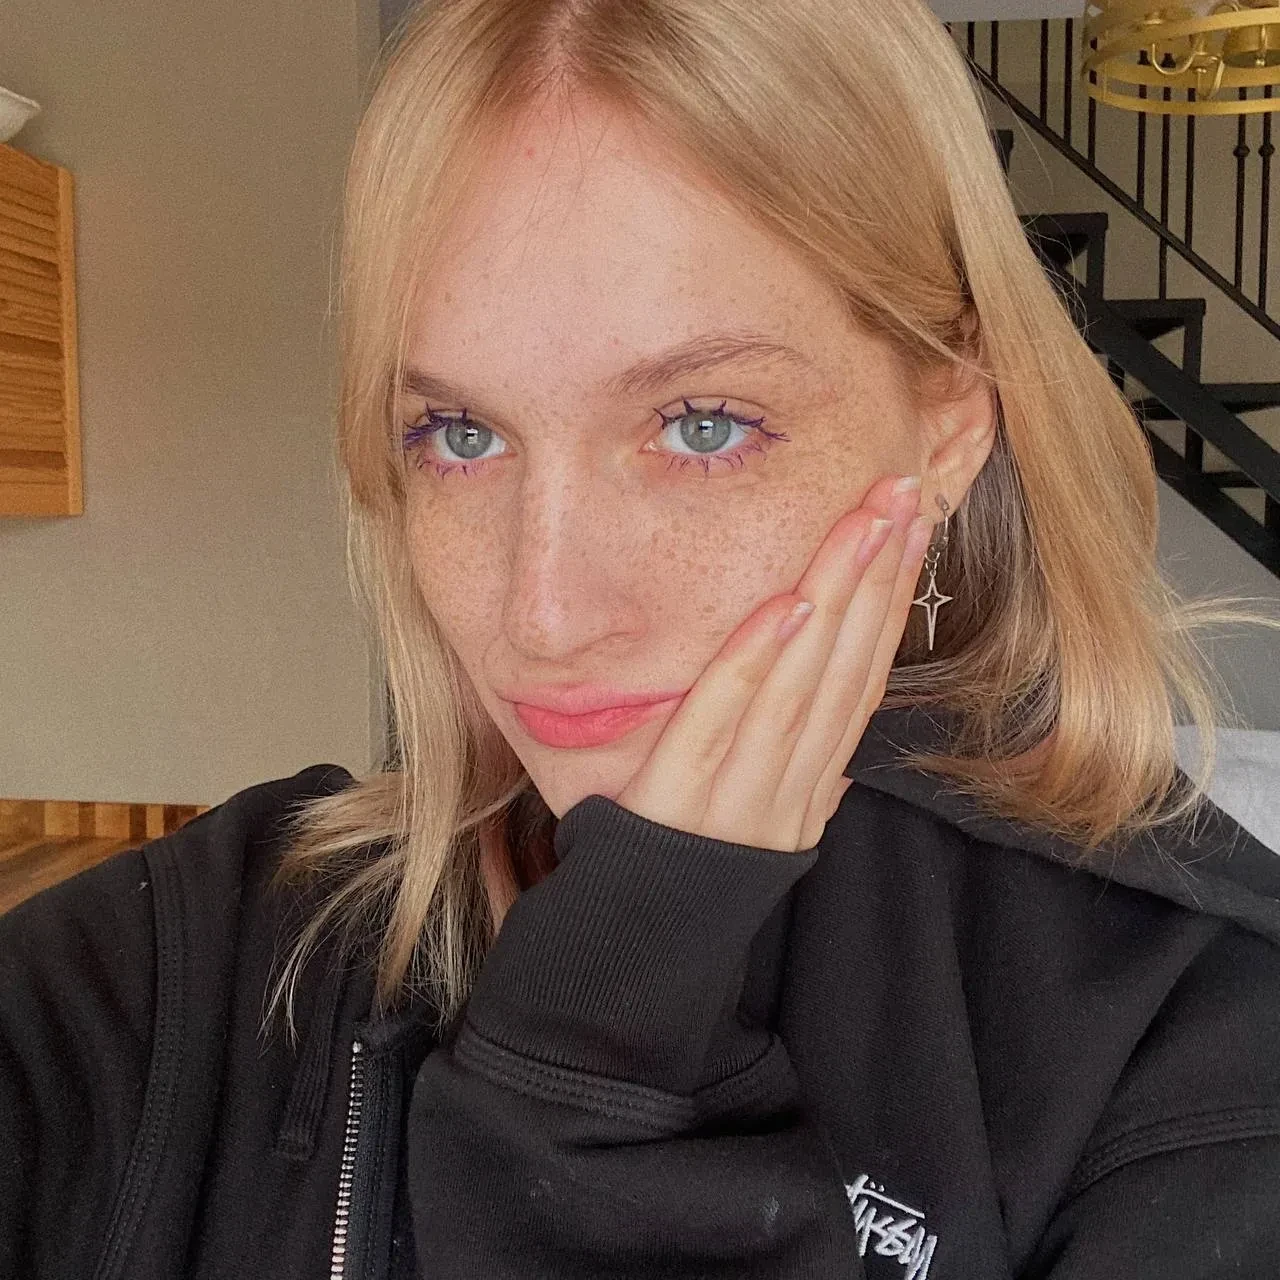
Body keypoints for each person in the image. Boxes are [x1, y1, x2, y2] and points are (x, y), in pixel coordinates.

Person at [3, 0, 1279, 1276]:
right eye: (460, 434)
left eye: (702, 424)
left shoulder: (1190, 1046)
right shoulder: (203, 950)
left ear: (947, 425)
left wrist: (589, 1091)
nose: (543, 612)